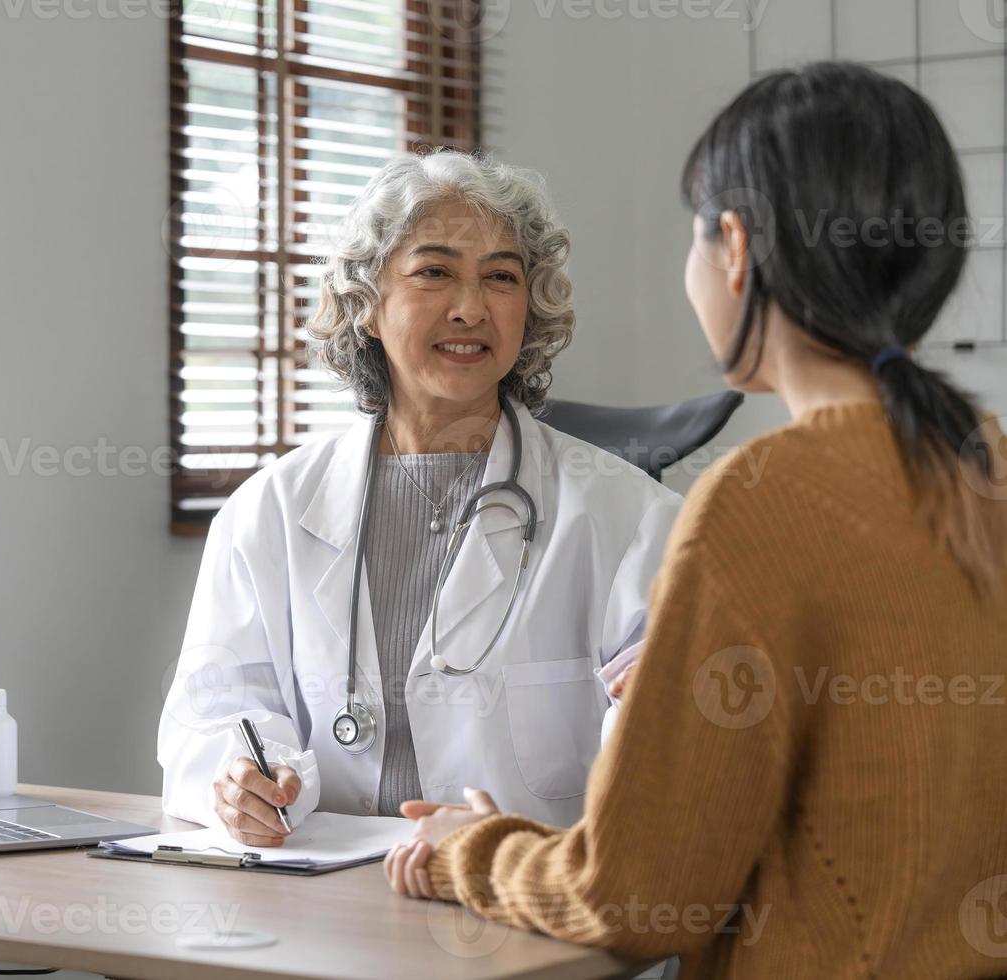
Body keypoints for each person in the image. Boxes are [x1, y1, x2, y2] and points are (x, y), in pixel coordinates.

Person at [383, 62, 1007, 979]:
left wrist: (470, 847)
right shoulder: (980, 461)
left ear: (737, 247)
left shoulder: (765, 500)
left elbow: (629, 894)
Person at [158, 149, 681, 853]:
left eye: (501, 277)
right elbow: (214, 713)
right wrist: (242, 777)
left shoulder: (632, 517)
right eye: (434, 272)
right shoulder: (270, 513)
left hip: (520, 907)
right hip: (325, 909)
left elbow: (677, 747)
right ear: (367, 304)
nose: (471, 308)